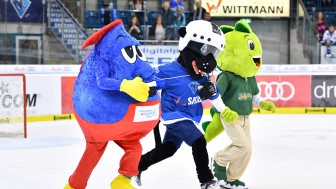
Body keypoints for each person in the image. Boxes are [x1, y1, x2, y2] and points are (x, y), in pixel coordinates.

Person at [137, 20, 226, 189]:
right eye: (206, 50)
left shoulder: (201, 74)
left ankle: (138, 165)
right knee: (199, 141)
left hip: (190, 117)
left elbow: (213, 91)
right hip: (174, 116)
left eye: (213, 53)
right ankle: (206, 180)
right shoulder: (169, 72)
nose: (208, 60)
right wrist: (144, 89)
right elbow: (147, 81)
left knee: (168, 150)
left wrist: (213, 89)